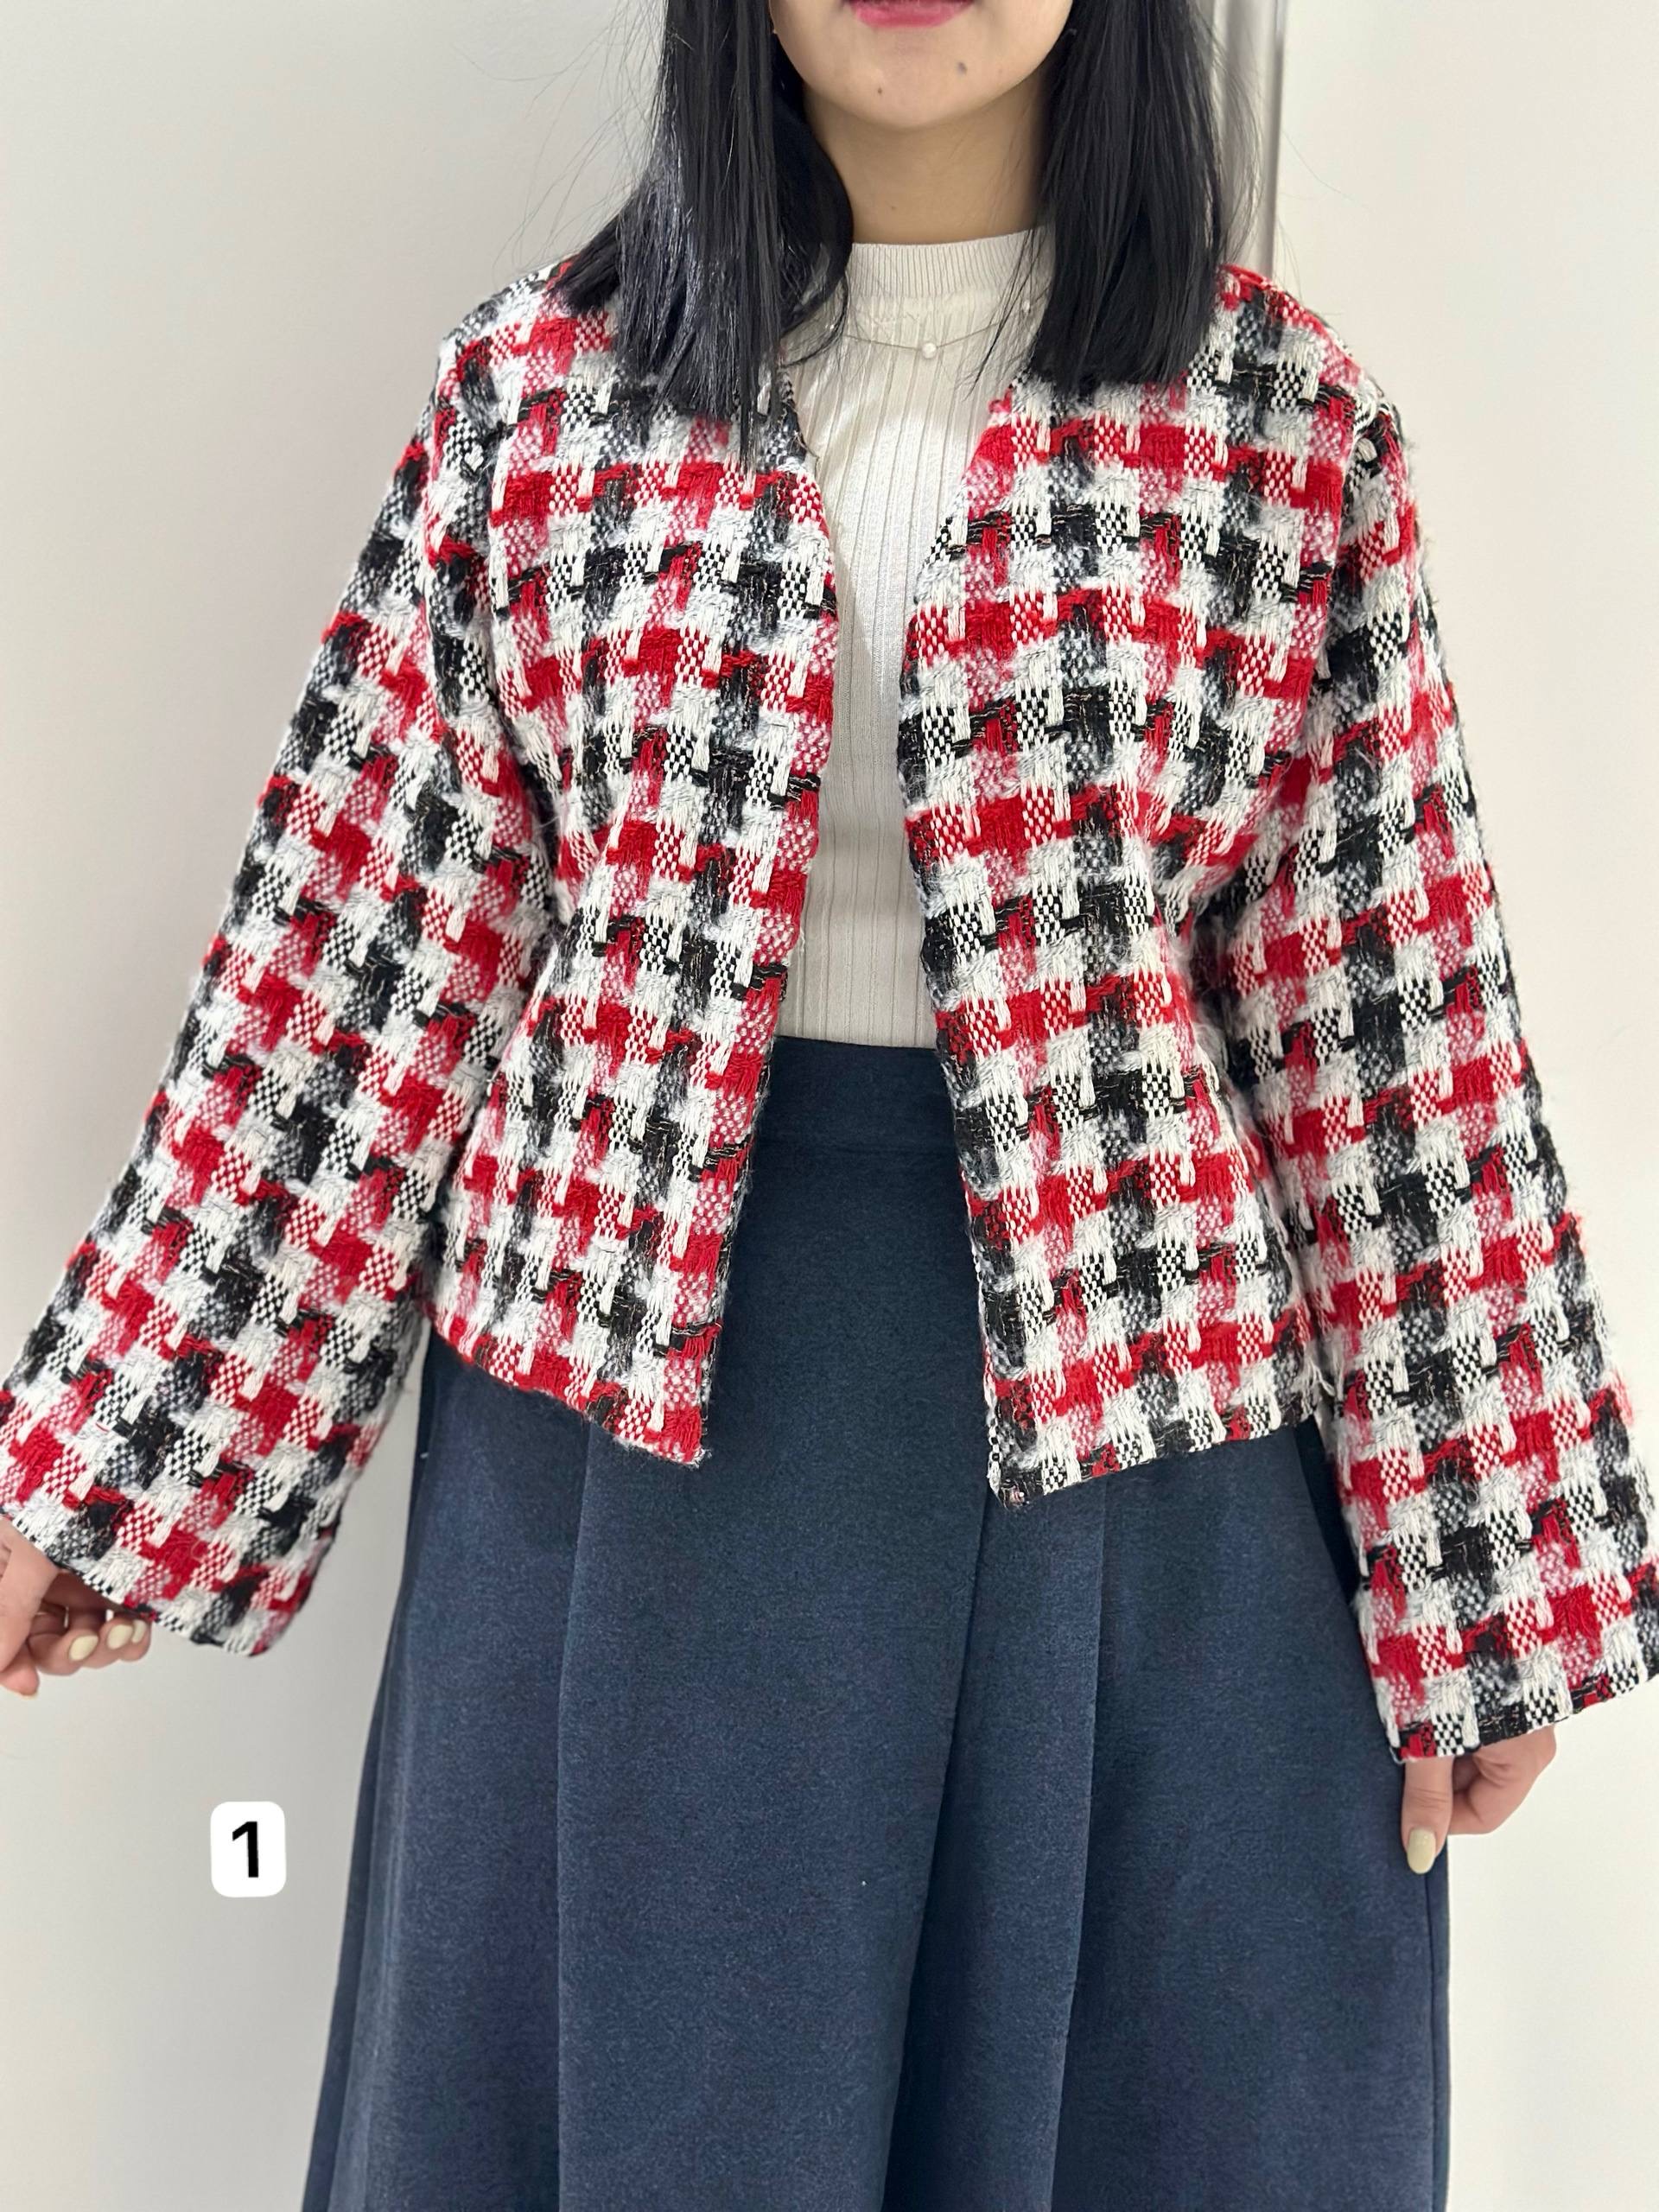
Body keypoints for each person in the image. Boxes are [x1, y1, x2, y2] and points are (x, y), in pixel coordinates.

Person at [2, 3, 1653, 2207]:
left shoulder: (1284, 431)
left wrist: (1493, 1572)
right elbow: (350, 978)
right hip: (615, 1486)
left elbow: (1389, 1027)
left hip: (1144, 1506)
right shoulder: (537, 405)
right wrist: (102, 1466)